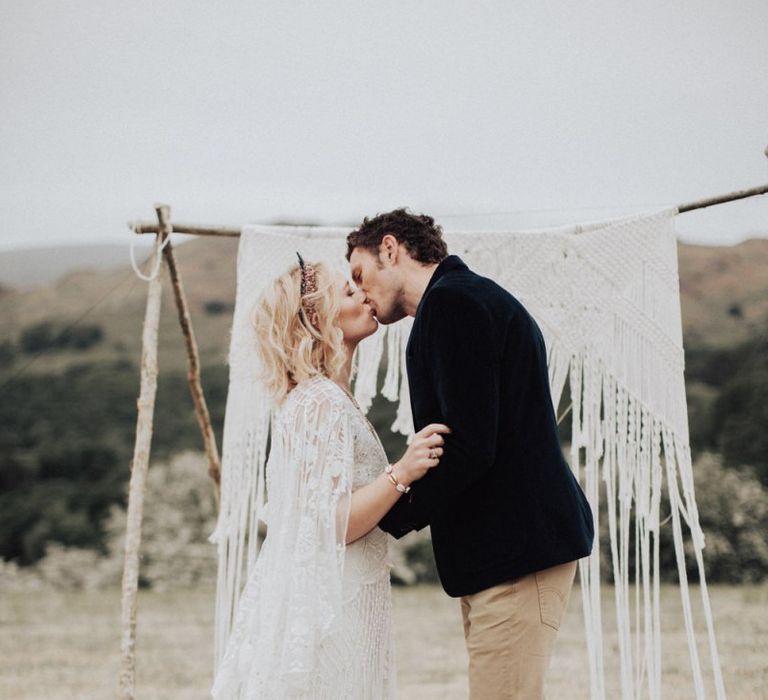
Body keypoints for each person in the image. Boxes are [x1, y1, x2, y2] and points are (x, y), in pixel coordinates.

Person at [347, 209, 595, 699]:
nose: (361, 293)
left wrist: (383, 515)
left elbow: (467, 445)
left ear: (391, 249)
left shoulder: (454, 304)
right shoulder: (466, 298)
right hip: (506, 549)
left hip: (517, 550)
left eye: (360, 274)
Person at [210, 255, 450, 699]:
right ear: (316, 319)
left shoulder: (333, 398)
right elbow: (328, 524)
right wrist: (402, 473)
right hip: (330, 605)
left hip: (353, 592)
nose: (363, 293)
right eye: (347, 291)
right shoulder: (317, 403)